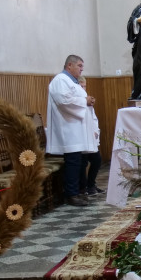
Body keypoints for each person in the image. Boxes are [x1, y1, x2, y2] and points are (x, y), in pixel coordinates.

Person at [46, 55, 95, 207]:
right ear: (69, 66)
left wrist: (88, 100)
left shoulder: (71, 81)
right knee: (72, 161)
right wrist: (84, 101)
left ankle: (78, 191)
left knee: (78, 161)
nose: (82, 68)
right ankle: (71, 194)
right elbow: (64, 101)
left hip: (75, 129)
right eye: (79, 65)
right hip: (68, 128)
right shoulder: (60, 80)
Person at [78, 76, 102, 196]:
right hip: (82, 137)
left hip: (91, 137)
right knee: (82, 163)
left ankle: (91, 184)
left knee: (97, 160)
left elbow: (93, 117)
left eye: (84, 86)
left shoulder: (88, 100)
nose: (83, 88)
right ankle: (83, 187)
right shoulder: (78, 101)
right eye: (80, 86)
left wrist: (96, 130)